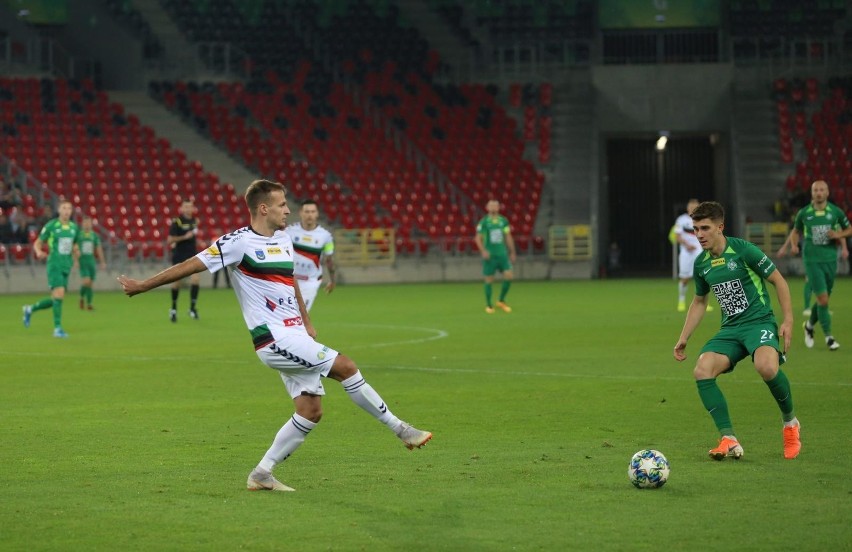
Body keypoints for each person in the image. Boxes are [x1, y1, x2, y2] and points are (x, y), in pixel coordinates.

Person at [118, 180, 432, 492]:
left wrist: (306, 320)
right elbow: (192, 264)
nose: (287, 210)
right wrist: (144, 285)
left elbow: (290, 279)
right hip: (273, 339)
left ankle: (262, 473)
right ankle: (400, 428)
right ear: (263, 208)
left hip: (296, 334)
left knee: (311, 410)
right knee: (346, 366)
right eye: (282, 204)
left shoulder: (283, 239)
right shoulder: (237, 242)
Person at [673, 201, 801, 460]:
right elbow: (699, 301)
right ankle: (728, 439)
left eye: (705, 228)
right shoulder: (702, 264)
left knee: (766, 367)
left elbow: (778, 280)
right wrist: (684, 338)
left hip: (759, 323)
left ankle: (791, 424)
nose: (699, 235)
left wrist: (787, 320)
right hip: (731, 329)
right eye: (695, 229)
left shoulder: (744, 251)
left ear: (720, 227)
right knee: (702, 370)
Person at [784, 180, 851, 350]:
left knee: (823, 299)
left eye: (822, 190)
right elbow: (796, 231)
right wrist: (793, 245)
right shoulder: (804, 213)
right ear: (812, 193)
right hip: (812, 260)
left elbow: (849, 229)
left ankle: (809, 326)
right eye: (816, 190)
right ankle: (829, 337)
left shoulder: (835, 212)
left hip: (830, 260)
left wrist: (838, 234)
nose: (819, 193)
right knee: (822, 299)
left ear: (827, 193)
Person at [22, 200, 80, 338]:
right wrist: (38, 252)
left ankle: (30, 309)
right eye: (64, 208)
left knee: (56, 298)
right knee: (59, 294)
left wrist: (77, 256)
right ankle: (57, 328)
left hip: (67, 265)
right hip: (54, 264)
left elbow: (75, 245)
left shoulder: (74, 227)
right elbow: (38, 242)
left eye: (69, 208)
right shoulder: (52, 225)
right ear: (59, 210)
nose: (66, 211)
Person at [777, 228, 848, 316]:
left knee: (825, 280)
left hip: (826, 251)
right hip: (810, 251)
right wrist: (787, 246)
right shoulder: (807, 215)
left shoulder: (831, 216)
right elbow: (795, 230)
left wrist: (844, 248)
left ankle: (823, 308)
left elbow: (840, 231)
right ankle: (807, 308)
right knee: (809, 279)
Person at [284, 199, 336, 311]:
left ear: (317, 213)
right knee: (284, 315)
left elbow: (329, 260)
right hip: (289, 280)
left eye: (313, 212)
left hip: (310, 282)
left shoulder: (325, 236)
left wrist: (332, 280)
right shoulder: (289, 232)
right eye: (307, 211)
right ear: (300, 213)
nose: (310, 215)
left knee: (300, 316)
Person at [474, 199, 516, 314]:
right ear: (487, 208)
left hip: (502, 254)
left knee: (509, 275)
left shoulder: (503, 221)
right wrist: (483, 251)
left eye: (495, 206)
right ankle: (488, 305)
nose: (493, 208)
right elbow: (478, 238)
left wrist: (512, 251)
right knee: (489, 279)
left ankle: (501, 301)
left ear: (498, 208)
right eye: (491, 206)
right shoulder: (484, 222)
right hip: (490, 255)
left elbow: (508, 236)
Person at [673, 198, 713, 313]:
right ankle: (681, 300)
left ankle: (706, 302)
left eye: (695, 207)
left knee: (704, 277)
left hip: (699, 252)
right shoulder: (681, 220)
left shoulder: (702, 220)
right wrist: (687, 245)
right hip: (686, 252)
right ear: (687, 208)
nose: (692, 209)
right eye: (691, 207)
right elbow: (677, 236)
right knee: (685, 279)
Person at [167, 200, 201, 322]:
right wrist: (184, 237)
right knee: (176, 283)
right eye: (185, 207)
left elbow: (194, 237)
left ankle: (192, 308)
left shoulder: (195, 221)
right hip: (179, 255)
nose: (188, 209)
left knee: (196, 280)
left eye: (190, 207)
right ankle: (174, 308)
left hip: (192, 255)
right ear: (181, 208)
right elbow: (170, 240)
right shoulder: (177, 222)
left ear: (193, 208)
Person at [76, 216, 106, 310]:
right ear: (82, 224)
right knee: (86, 281)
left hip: (91, 261)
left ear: (91, 224)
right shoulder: (79, 235)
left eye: (89, 223)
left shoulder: (94, 235)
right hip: (83, 261)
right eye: (85, 223)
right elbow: (75, 248)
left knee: (90, 284)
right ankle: (81, 297)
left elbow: (98, 249)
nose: (87, 225)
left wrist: (102, 261)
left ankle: (89, 303)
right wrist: (76, 260)